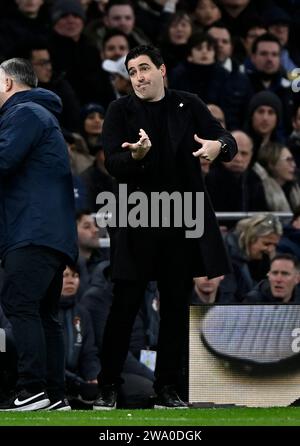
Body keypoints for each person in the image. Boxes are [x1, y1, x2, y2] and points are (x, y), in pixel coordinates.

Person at [93, 44, 237, 410]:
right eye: (132, 71)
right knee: (124, 304)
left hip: (180, 219)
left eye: (144, 68)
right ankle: (108, 384)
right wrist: (137, 156)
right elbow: (112, 162)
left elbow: (226, 139)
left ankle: (167, 388)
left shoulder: (189, 104)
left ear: (161, 69)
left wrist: (216, 148)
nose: (138, 77)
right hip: (137, 217)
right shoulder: (118, 109)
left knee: (175, 307)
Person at [0, 58, 78, 411]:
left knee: (20, 304)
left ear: (7, 84)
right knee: (44, 313)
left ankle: (30, 389)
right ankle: (53, 393)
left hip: (30, 230)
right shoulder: (41, 115)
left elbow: (2, 160)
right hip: (50, 232)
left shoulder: (26, 114)